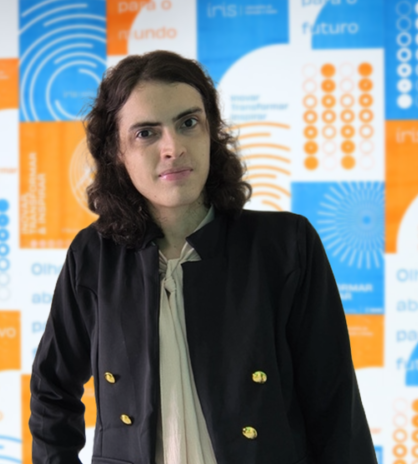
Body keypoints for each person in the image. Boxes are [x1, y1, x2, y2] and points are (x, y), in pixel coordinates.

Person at [29, 50, 377, 464]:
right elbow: (52, 391)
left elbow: (335, 408)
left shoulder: (286, 246)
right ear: (116, 151)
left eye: (188, 123)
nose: (173, 147)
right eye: (146, 133)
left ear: (211, 132)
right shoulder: (92, 256)